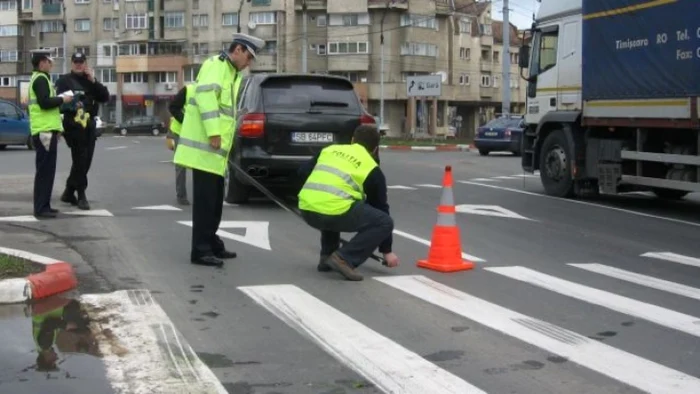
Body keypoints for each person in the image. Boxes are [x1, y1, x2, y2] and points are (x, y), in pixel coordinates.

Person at [173, 33, 265, 267]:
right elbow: (206, 99)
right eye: (249, 56)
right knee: (205, 204)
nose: (249, 63)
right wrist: (214, 132)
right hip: (205, 149)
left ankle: (212, 243)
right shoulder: (216, 66)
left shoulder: (230, 73)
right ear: (238, 50)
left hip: (215, 154)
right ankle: (200, 251)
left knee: (214, 203)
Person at [297, 125, 399, 281]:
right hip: (332, 212)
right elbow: (381, 208)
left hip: (306, 208)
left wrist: (316, 196)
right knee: (384, 222)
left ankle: (327, 256)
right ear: (375, 149)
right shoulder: (371, 167)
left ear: (352, 140)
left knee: (336, 202)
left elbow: (302, 172)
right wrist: (387, 250)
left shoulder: (329, 150)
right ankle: (344, 258)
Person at [56, 52, 110, 210]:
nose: (78, 64)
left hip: (89, 126)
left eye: (81, 62)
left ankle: (68, 191)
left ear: (85, 63)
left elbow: (105, 97)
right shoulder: (64, 80)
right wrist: (74, 105)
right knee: (80, 159)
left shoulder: (90, 81)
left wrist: (93, 80)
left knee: (85, 161)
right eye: (76, 62)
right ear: (71, 63)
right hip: (73, 125)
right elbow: (60, 103)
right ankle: (81, 195)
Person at [28, 49, 73, 219]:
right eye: (49, 61)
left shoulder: (42, 78)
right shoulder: (40, 79)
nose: (51, 63)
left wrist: (58, 129)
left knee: (47, 170)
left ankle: (44, 205)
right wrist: (63, 99)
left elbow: (47, 106)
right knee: (44, 171)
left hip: (47, 130)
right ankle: (41, 208)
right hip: (44, 131)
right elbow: (45, 103)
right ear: (41, 63)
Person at [167, 84, 195, 205]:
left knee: (200, 164)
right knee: (181, 165)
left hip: (198, 132)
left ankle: (202, 195)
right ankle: (181, 196)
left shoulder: (213, 91)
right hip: (181, 131)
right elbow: (173, 107)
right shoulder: (189, 90)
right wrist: (185, 122)